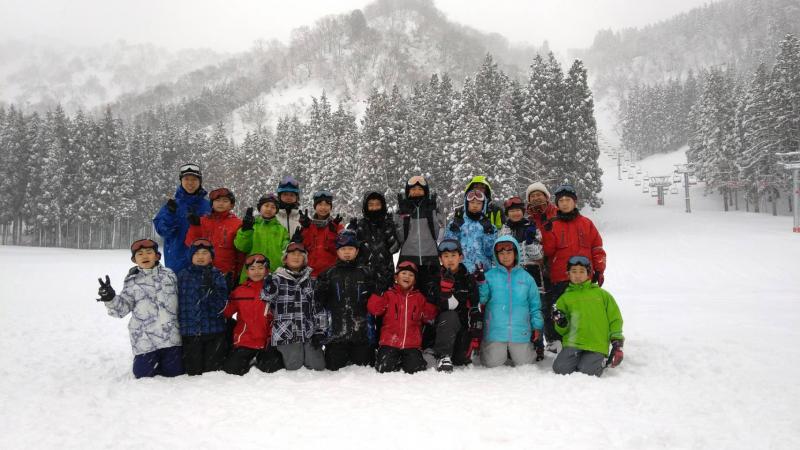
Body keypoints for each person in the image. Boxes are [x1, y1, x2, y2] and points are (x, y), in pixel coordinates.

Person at [96, 239, 183, 378]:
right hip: (144, 341)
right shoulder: (132, 280)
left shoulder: (170, 275)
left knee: (175, 374)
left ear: (157, 256)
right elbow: (121, 310)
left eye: (149, 252)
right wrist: (110, 298)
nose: (145, 256)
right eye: (140, 254)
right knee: (143, 375)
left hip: (171, 340)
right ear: (134, 260)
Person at [541, 184, 607, 353]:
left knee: (585, 310)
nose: (564, 203)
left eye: (568, 200)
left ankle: (587, 339)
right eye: (561, 200)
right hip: (560, 278)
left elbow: (597, 248)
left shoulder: (586, 223)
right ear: (557, 203)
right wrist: (546, 233)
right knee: (559, 310)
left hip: (584, 277)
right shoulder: (552, 225)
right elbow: (547, 252)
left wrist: (599, 269)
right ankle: (557, 342)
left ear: (575, 202)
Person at [314, 230, 376, 370]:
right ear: (337, 251)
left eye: (350, 248)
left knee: (364, 369)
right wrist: (321, 290)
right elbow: (319, 304)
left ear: (357, 251)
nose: (347, 252)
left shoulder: (366, 273)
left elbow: (375, 304)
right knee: (333, 369)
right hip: (336, 336)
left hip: (361, 335)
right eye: (343, 249)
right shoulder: (328, 274)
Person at [552, 256, 624, 377]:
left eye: (582, 271)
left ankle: (599, 362)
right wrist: (561, 323)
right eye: (574, 271)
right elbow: (561, 330)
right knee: (560, 369)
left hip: (596, 344)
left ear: (589, 273)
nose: (578, 275)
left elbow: (615, 318)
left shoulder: (602, 295)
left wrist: (617, 342)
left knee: (587, 372)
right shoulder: (564, 299)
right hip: (573, 343)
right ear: (568, 274)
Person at [261, 242, 327, 371]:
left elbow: (319, 309)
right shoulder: (276, 279)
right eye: (292, 254)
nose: (296, 257)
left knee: (318, 367)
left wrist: (320, 331)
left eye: (300, 255)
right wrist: (268, 287)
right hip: (286, 333)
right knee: (293, 367)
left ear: (304, 260)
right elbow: (266, 297)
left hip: (308, 332)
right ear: (285, 259)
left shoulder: (312, 281)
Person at [478, 236, 543, 368]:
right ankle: (501, 351)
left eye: (509, 252)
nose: (505, 256)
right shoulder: (489, 276)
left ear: (516, 253)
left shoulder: (526, 278)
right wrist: (481, 283)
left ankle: (515, 351)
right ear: (496, 255)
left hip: (520, 331)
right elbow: (482, 300)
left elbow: (535, 306)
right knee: (492, 364)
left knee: (525, 364)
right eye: (501, 253)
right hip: (495, 331)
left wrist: (536, 326)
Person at [367, 261, 438, 374]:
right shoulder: (389, 294)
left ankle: (406, 359)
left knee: (415, 369)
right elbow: (374, 309)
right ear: (396, 277)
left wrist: (431, 300)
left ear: (415, 280)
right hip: (390, 342)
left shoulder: (419, 298)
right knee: (384, 369)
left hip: (412, 344)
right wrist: (379, 290)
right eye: (403, 273)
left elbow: (429, 317)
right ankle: (389, 357)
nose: (407, 277)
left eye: (411, 275)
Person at [498, 196, 545, 360]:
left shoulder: (532, 227)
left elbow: (539, 255)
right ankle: (515, 345)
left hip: (532, 273)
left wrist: (530, 242)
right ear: (507, 213)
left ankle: (538, 344)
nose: (515, 213)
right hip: (512, 274)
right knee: (516, 310)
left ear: (523, 211)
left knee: (534, 310)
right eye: (512, 211)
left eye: (518, 210)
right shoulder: (503, 230)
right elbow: (499, 254)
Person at [222, 254, 284, 375]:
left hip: (267, 342)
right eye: (252, 268)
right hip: (245, 341)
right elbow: (227, 312)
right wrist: (225, 293)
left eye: (260, 268)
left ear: (267, 270)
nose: (256, 272)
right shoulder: (240, 291)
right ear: (247, 272)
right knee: (232, 371)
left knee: (272, 371)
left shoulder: (273, 290)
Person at [177, 238, 229, 375]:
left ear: (211, 257)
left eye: (204, 253)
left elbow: (221, 305)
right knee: (193, 372)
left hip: (213, 332)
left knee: (212, 372)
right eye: (196, 253)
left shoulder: (217, 275)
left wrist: (209, 290)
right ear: (191, 257)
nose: (200, 256)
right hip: (190, 332)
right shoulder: (182, 276)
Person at [428, 239, 480, 372]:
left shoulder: (468, 278)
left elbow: (475, 305)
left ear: (460, 257)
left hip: (462, 327)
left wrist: (475, 333)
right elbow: (432, 306)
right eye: (446, 256)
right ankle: (443, 355)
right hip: (440, 328)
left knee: (460, 359)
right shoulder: (435, 278)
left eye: (453, 255)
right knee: (450, 315)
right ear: (440, 259)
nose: (450, 259)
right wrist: (444, 292)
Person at [153, 163, 211, 273]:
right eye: (186, 179)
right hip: (176, 263)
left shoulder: (208, 206)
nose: (190, 183)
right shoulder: (171, 206)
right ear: (181, 181)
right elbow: (162, 231)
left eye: (194, 179)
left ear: (200, 182)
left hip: (203, 262)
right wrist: (170, 214)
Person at [185, 187, 243, 290]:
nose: (221, 203)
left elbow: (240, 253)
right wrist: (195, 226)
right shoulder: (202, 221)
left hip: (225, 275)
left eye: (225, 201)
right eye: (217, 200)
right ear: (212, 203)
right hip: (201, 273)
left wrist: (238, 275)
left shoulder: (237, 224)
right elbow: (190, 244)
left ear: (231, 205)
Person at [396, 175, 444, 294]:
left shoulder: (432, 208)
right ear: (408, 192)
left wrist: (433, 213)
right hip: (408, 261)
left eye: (420, 189)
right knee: (408, 297)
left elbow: (438, 235)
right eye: (413, 189)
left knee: (433, 297)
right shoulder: (402, 209)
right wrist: (402, 217)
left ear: (425, 191)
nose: (416, 191)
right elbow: (400, 238)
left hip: (431, 260)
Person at [348, 190, 400, 294]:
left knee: (385, 302)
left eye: (377, 204)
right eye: (371, 205)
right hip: (363, 275)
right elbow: (350, 249)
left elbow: (394, 249)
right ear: (366, 207)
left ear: (382, 206)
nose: (374, 208)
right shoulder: (360, 225)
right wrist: (351, 230)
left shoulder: (387, 223)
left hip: (386, 275)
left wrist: (390, 230)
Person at [234, 193, 290, 283]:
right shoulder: (251, 226)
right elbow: (241, 247)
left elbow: (286, 251)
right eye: (266, 205)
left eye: (273, 207)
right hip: (252, 275)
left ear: (276, 211)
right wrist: (246, 230)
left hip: (275, 275)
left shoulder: (281, 230)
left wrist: (293, 243)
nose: (269, 209)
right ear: (260, 207)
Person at [444, 189, 496, 274]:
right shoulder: (457, 223)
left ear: (483, 205)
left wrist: (488, 234)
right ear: (467, 204)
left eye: (478, 203)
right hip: (460, 271)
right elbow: (448, 248)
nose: (475, 206)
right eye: (472, 203)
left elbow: (490, 253)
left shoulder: (489, 226)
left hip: (483, 272)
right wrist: (454, 231)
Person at [297, 190, 343, 278]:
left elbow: (340, 251)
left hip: (331, 275)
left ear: (330, 207)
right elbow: (304, 248)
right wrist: (306, 228)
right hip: (310, 274)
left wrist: (333, 233)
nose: (323, 208)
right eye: (320, 204)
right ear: (315, 206)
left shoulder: (337, 226)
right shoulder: (308, 226)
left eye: (327, 205)